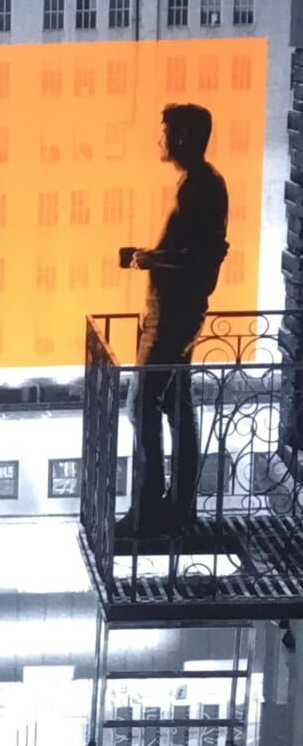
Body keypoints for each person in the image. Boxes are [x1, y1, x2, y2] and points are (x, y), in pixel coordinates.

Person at [117, 102, 230, 539]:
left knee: (142, 402)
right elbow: (197, 251)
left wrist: (150, 259)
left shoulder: (199, 186)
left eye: (163, 132)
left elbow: (200, 256)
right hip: (176, 311)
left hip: (172, 315)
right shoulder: (202, 182)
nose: (158, 139)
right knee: (176, 404)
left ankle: (149, 510)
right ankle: (177, 507)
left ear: (181, 137)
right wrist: (151, 256)